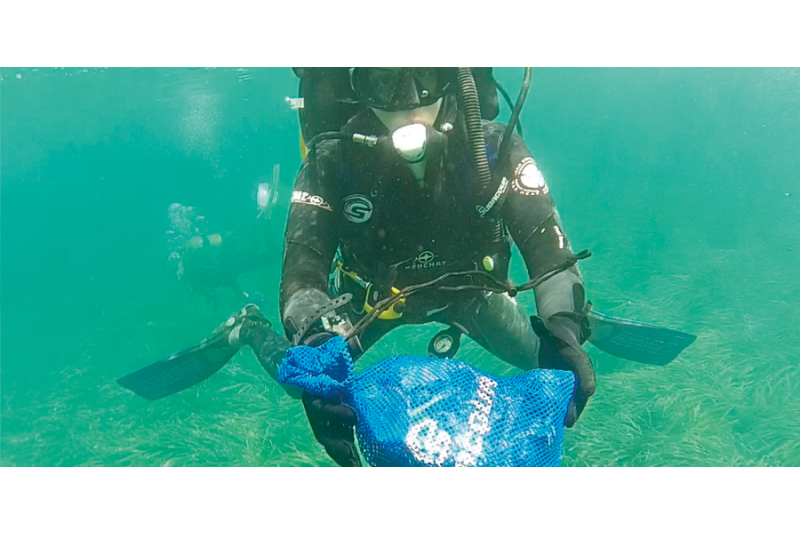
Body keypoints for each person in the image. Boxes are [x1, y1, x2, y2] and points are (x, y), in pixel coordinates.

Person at [279, 67, 596, 467]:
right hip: (373, 300)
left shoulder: (493, 147)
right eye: (385, 81)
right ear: (358, 86)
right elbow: (303, 272)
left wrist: (562, 325)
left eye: (425, 76)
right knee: (308, 381)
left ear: (453, 75)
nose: (409, 102)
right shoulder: (331, 161)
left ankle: (577, 323)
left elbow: (549, 249)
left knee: (549, 360)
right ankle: (247, 328)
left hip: (472, 293)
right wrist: (314, 349)